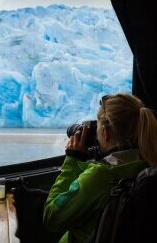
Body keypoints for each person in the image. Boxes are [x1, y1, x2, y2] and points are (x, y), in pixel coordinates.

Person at [43, 93, 157, 243]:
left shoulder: (99, 177)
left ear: (106, 132)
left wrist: (72, 160)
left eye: (97, 127)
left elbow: (52, 217)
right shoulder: (147, 166)